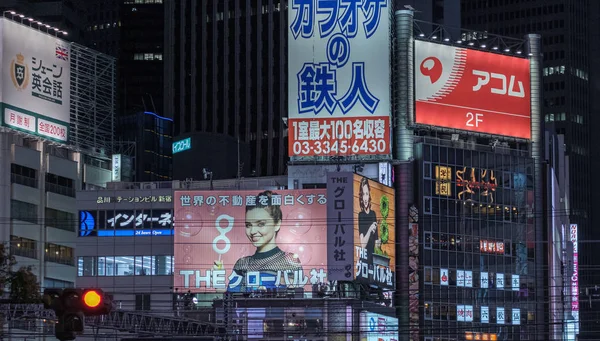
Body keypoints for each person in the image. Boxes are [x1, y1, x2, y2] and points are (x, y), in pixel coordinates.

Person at [229, 190, 303, 291]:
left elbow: (296, 298)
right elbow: (231, 300)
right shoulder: (242, 264)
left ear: (277, 224)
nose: (253, 231)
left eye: (261, 224)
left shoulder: (289, 261)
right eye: (248, 225)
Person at [358, 177, 381, 268]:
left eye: (367, 194)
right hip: (364, 260)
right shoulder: (361, 215)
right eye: (363, 194)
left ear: (369, 195)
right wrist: (370, 229)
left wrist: (379, 243)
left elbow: (376, 239)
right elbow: (363, 244)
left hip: (373, 260)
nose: (365, 198)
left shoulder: (373, 214)